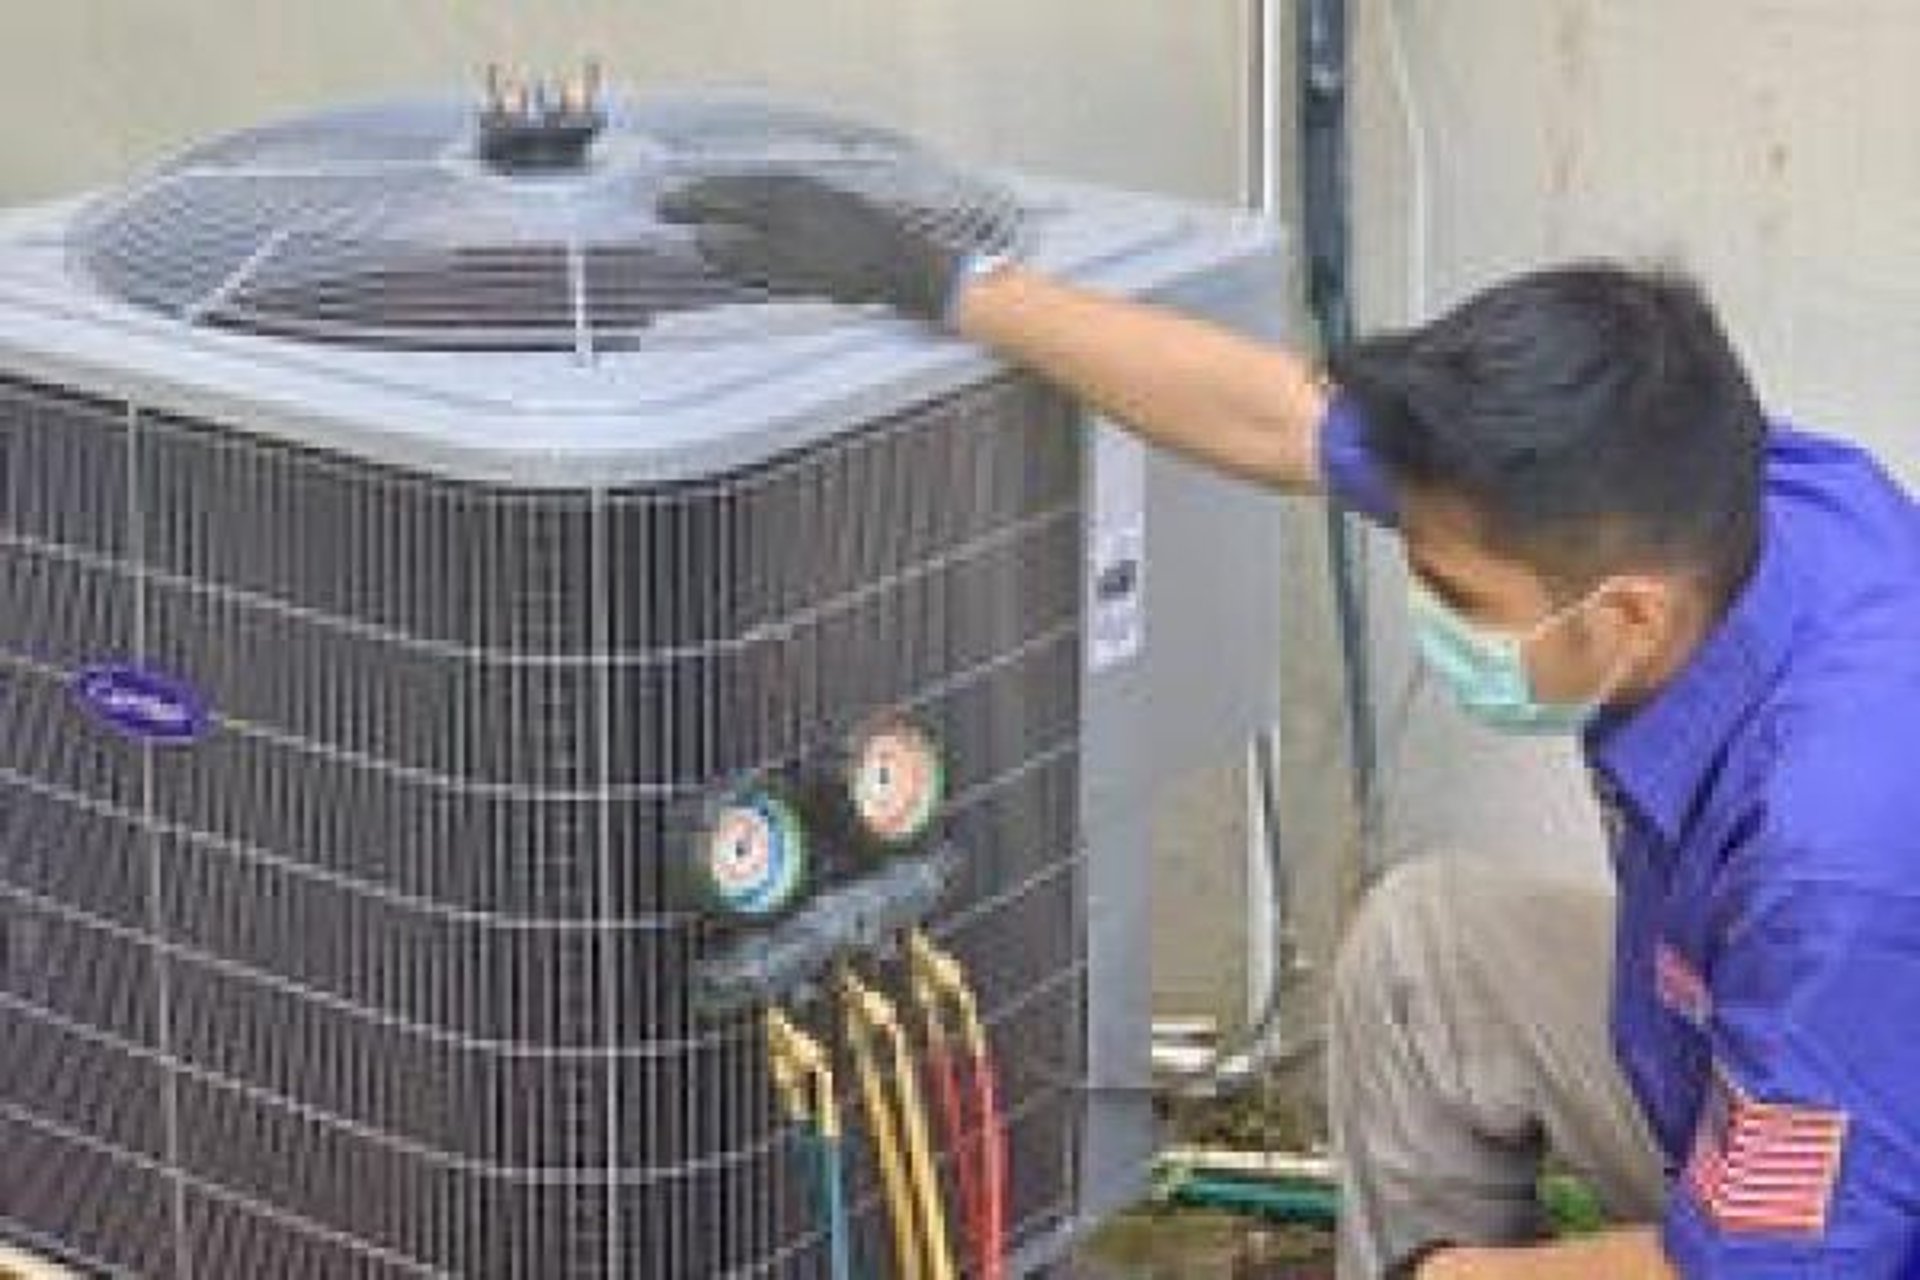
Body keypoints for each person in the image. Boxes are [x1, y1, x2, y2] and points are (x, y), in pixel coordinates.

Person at [659, 174, 1920, 1278]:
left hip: (1848, 1210)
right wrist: (943, 282)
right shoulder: (1709, 488)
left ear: (1629, 616)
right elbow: (1282, 417)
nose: (1430, 605)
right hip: (1751, 1044)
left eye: (1459, 594)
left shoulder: (1832, 845)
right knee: (1432, 959)